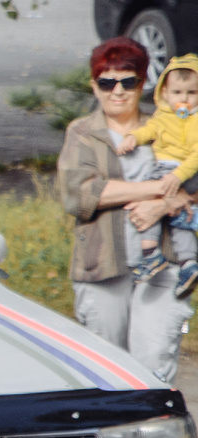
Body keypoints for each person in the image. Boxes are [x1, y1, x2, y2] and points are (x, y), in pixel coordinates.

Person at [61, 36, 197, 383]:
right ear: (94, 86)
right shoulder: (83, 133)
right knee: (105, 370)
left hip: (163, 265)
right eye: (107, 82)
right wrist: (159, 190)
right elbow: (80, 195)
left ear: (143, 83)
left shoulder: (168, 126)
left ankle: (156, 436)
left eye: (128, 81)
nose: (117, 91)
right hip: (102, 266)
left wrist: (162, 206)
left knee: (151, 364)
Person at [132, 52, 198, 295]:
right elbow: (148, 130)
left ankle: (153, 255)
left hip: (182, 172)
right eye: (178, 93)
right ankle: (187, 263)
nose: (185, 99)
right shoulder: (162, 116)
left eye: (192, 93)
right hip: (168, 168)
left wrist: (178, 177)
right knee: (180, 215)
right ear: (165, 94)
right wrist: (133, 138)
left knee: (153, 204)